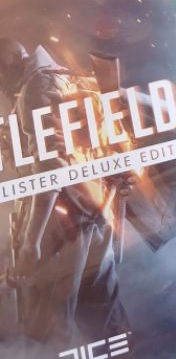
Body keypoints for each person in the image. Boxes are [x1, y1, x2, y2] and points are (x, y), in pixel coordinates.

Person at [0, 39, 129, 352]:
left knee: (53, 326)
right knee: (103, 317)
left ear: (14, 58)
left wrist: (31, 242)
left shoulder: (35, 88)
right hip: (94, 214)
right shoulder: (67, 76)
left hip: (62, 228)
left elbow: (51, 170)